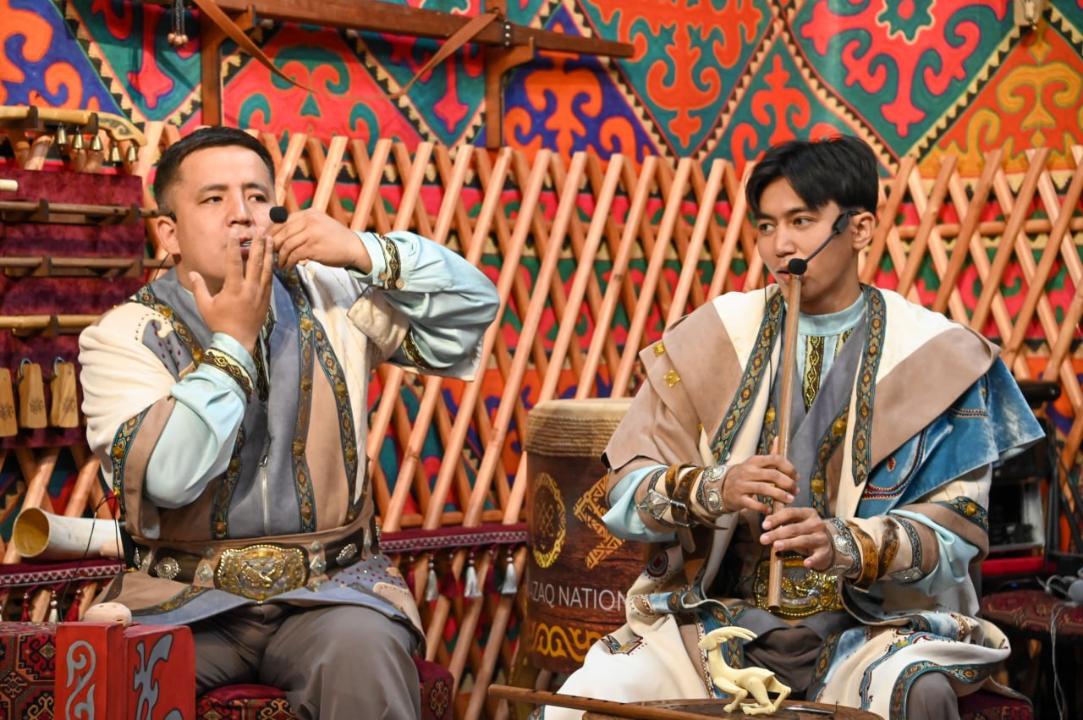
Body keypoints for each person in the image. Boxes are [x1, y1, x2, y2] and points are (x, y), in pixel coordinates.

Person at [548, 136, 1043, 720]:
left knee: (919, 691)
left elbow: (956, 534)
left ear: (859, 229)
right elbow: (624, 494)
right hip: (713, 626)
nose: (780, 244)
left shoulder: (936, 356)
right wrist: (715, 488)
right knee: (592, 698)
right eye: (766, 225)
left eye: (801, 221)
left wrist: (844, 544)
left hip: (873, 627)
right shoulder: (712, 339)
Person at [79, 127, 499, 719]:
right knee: (117, 679)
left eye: (257, 196)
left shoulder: (334, 296)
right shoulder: (123, 337)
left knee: (365, 655)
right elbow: (169, 479)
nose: (242, 214)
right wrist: (232, 344)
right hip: (179, 600)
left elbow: (474, 309)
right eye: (214, 198)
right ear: (169, 232)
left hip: (332, 593)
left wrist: (366, 251)